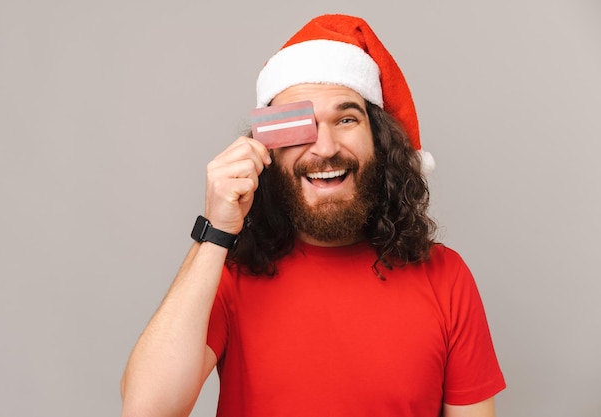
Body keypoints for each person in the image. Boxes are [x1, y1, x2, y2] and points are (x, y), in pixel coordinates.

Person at [120, 14, 506, 417]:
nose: (324, 148)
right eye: (300, 125)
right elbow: (146, 409)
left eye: (346, 119)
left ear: (379, 140)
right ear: (266, 151)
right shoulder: (228, 275)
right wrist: (216, 231)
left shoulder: (445, 277)